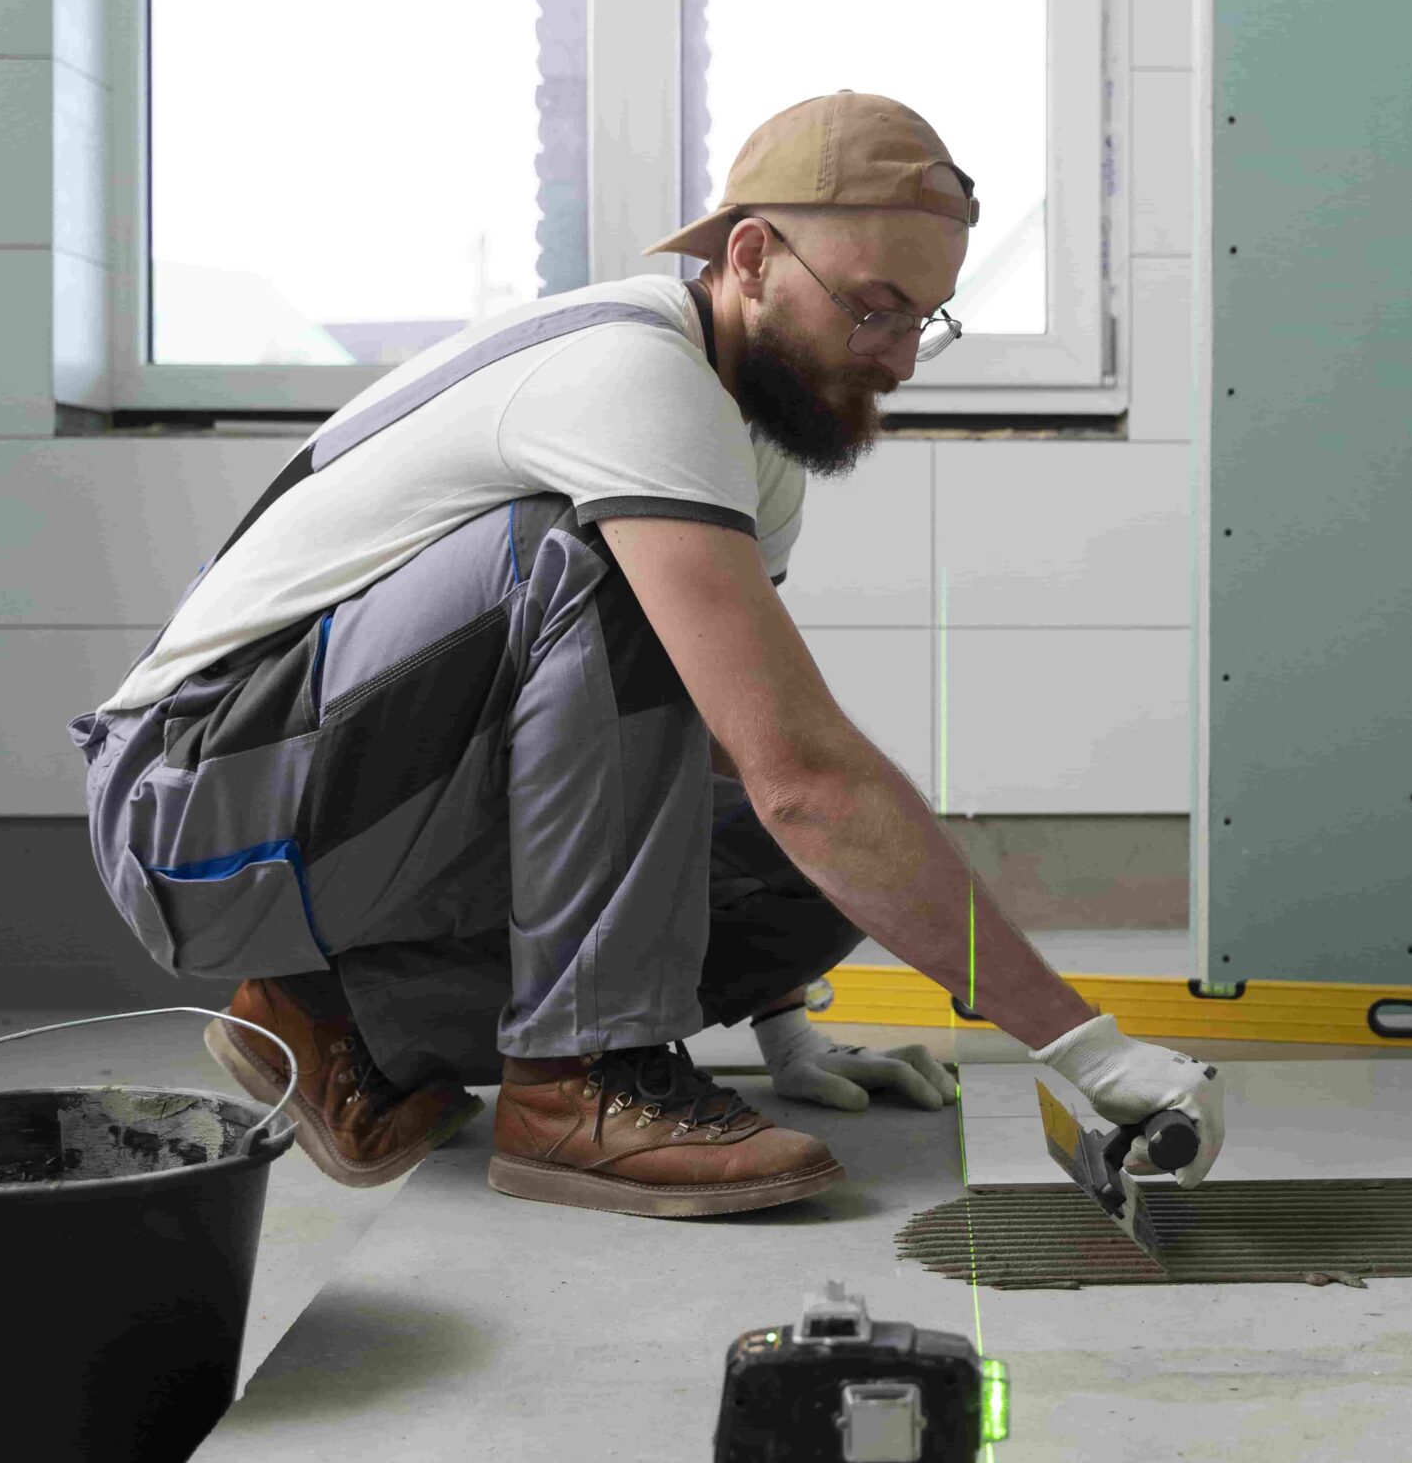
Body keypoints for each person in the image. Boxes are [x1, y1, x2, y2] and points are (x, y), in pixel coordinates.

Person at [67, 91, 1225, 1219]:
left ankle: (347, 1017)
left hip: (352, 811)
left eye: (924, 320)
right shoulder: (630, 372)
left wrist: (786, 1028)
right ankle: (582, 1083)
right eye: (873, 311)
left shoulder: (750, 441)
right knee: (615, 586)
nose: (901, 360)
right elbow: (802, 772)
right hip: (194, 808)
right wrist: (1084, 1047)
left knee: (802, 877)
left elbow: (708, 744)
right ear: (755, 256)